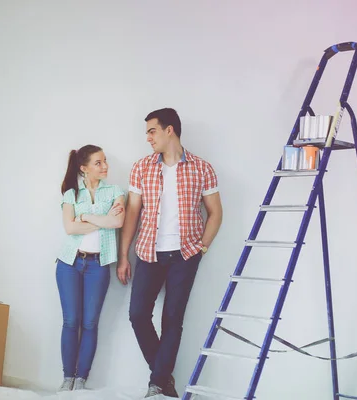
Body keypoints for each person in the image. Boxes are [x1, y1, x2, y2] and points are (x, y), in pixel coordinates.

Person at [117, 108, 223, 398]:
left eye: (152, 131)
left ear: (170, 130)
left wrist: (201, 248)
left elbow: (215, 213)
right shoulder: (141, 168)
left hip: (185, 255)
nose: (148, 137)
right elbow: (133, 215)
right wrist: (124, 255)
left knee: (172, 321)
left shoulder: (202, 168)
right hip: (149, 252)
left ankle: (156, 385)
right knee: (138, 315)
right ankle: (163, 379)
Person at [56, 144, 126, 392]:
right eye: (98, 162)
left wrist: (85, 217)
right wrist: (103, 220)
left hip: (98, 264)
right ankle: (67, 379)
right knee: (71, 321)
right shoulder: (70, 194)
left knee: (89, 323)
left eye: (105, 161)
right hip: (69, 263)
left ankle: (81, 379)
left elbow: (118, 221)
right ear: (84, 168)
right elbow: (69, 229)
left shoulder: (115, 191)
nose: (105, 166)